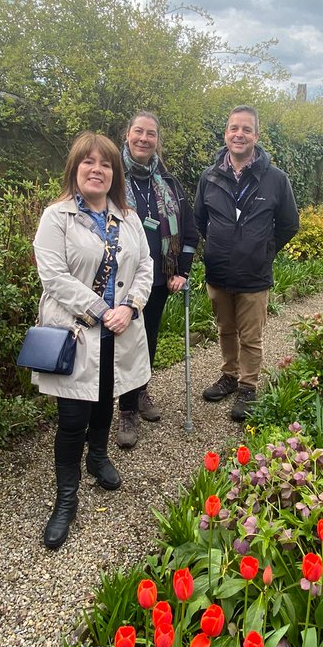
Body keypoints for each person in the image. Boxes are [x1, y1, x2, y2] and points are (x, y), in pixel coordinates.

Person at [32, 132, 154, 550]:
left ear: (114, 173)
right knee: (71, 419)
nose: (96, 169)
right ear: (75, 168)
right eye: (88, 162)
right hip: (77, 333)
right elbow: (54, 278)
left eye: (105, 163)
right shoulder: (56, 217)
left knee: (106, 399)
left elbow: (146, 266)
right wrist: (102, 310)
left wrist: (131, 307)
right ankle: (66, 500)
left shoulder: (129, 218)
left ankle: (98, 457)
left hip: (119, 332)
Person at [194, 105, 300, 421]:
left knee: (251, 337)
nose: (239, 134)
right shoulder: (209, 177)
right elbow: (201, 219)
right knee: (225, 329)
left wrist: (263, 250)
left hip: (254, 274)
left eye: (246, 129)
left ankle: (248, 386)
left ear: (256, 135)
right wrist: (218, 245)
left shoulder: (275, 179)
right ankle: (229, 376)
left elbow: (289, 224)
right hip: (219, 272)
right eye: (233, 128)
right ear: (226, 134)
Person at [116, 111, 199, 448]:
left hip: (159, 280)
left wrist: (181, 271)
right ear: (127, 135)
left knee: (147, 340)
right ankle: (126, 410)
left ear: (157, 141)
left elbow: (190, 231)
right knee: (124, 344)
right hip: (121, 281)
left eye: (151, 134)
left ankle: (141, 393)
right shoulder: (113, 180)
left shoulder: (170, 185)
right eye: (138, 132)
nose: (144, 139)